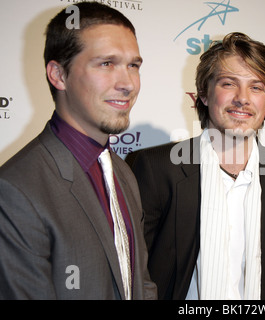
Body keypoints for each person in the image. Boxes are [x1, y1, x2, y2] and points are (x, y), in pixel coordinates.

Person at [0, 2, 157, 299]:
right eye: (106, 63)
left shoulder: (123, 172)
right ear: (59, 75)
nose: (127, 84)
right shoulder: (15, 191)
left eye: (133, 65)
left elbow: (141, 284)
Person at [131, 32, 265, 300]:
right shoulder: (157, 168)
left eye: (256, 87)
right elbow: (134, 272)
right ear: (204, 94)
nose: (242, 98)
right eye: (228, 84)